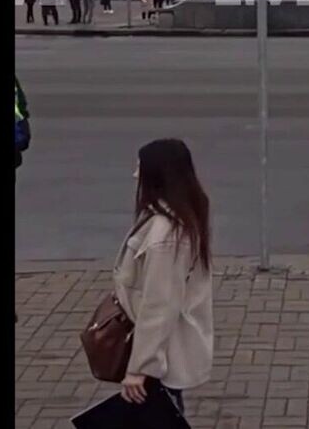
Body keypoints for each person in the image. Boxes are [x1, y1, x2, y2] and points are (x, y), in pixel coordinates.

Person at [114, 139, 214, 417]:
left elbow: (160, 306)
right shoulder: (173, 216)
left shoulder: (166, 235)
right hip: (161, 352)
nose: (135, 175)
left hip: (162, 358)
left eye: (139, 168)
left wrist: (140, 369)